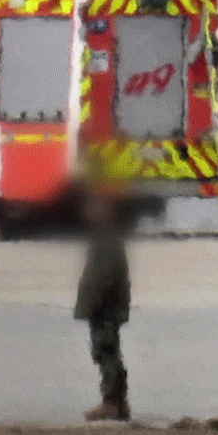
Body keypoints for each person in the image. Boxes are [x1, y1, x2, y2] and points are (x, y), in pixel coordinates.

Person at [72, 159, 132, 421]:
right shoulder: (106, 234)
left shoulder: (106, 237)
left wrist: (89, 304)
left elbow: (102, 276)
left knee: (105, 351)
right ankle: (118, 402)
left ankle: (111, 402)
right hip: (108, 303)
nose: (87, 211)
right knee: (109, 351)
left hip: (105, 305)